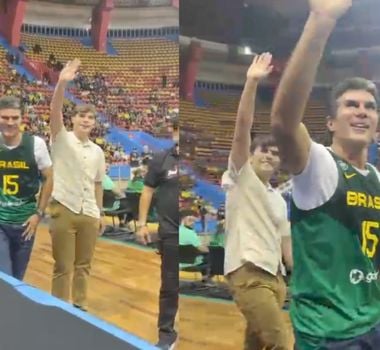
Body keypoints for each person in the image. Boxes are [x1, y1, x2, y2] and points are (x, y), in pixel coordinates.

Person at [270, 0, 380, 348]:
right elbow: (284, 124)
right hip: (330, 335)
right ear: (331, 122)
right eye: (351, 105)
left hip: (373, 319)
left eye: (370, 107)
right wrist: (321, 20)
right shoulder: (319, 165)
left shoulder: (376, 176)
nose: (362, 112)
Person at [222, 53, 293, 350]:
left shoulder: (278, 198)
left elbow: (285, 241)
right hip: (249, 273)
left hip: (277, 280)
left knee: (256, 345)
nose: (269, 155)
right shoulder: (241, 177)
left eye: (275, 153)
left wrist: (296, 276)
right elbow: (241, 129)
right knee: (284, 344)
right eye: (263, 150)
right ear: (251, 155)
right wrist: (251, 83)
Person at [49, 58, 106, 311]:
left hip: (89, 214)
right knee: (62, 265)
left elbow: (97, 184)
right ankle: (60, 309)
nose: (86, 120)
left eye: (90, 117)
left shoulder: (98, 152)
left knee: (84, 265)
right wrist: (61, 83)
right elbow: (54, 112)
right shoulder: (61, 139)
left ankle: (80, 308)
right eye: (82, 116)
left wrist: (101, 213)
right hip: (64, 208)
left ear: (94, 123)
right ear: (72, 119)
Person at [136, 117, 179, 350]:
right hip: (170, 233)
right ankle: (167, 332)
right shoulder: (162, 158)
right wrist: (142, 224)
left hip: (190, 231)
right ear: (173, 131)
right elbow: (147, 191)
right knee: (170, 285)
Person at [0, 96, 53, 280]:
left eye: (14, 117)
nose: (10, 122)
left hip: (26, 224)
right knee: (4, 276)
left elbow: (49, 177)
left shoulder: (36, 145)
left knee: (17, 277)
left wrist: (39, 213)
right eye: (5, 117)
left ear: (22, 119)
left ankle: (10, 308)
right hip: (1, 222)